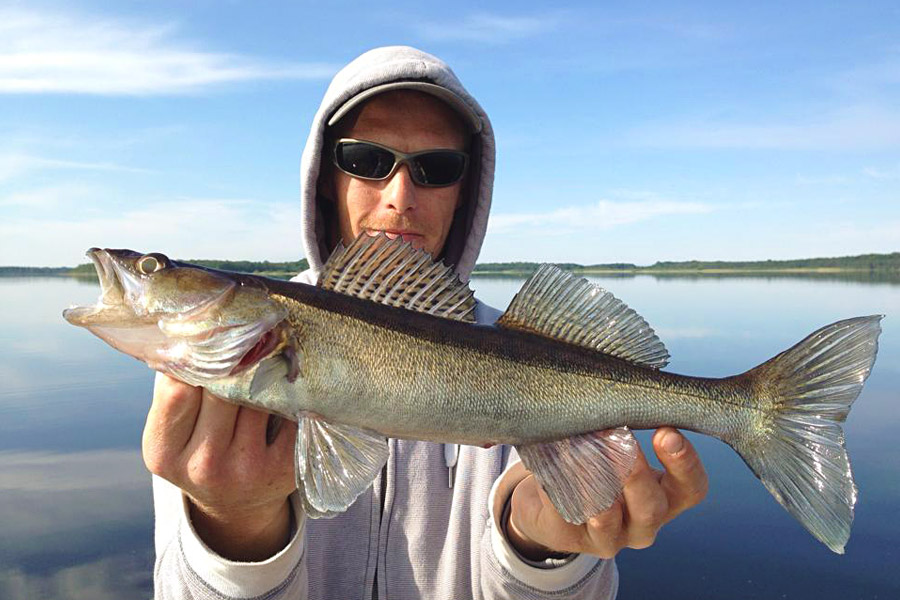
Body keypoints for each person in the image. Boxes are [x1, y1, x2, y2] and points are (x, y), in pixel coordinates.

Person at [145, 46, 709, 600]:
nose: (400, 198)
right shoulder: (218, 374)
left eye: (437, 168)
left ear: (467, 192)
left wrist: (542, 549)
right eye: (366, 161)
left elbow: (545, 530)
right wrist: (234, 521)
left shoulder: (520, 343)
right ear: (323, 177)